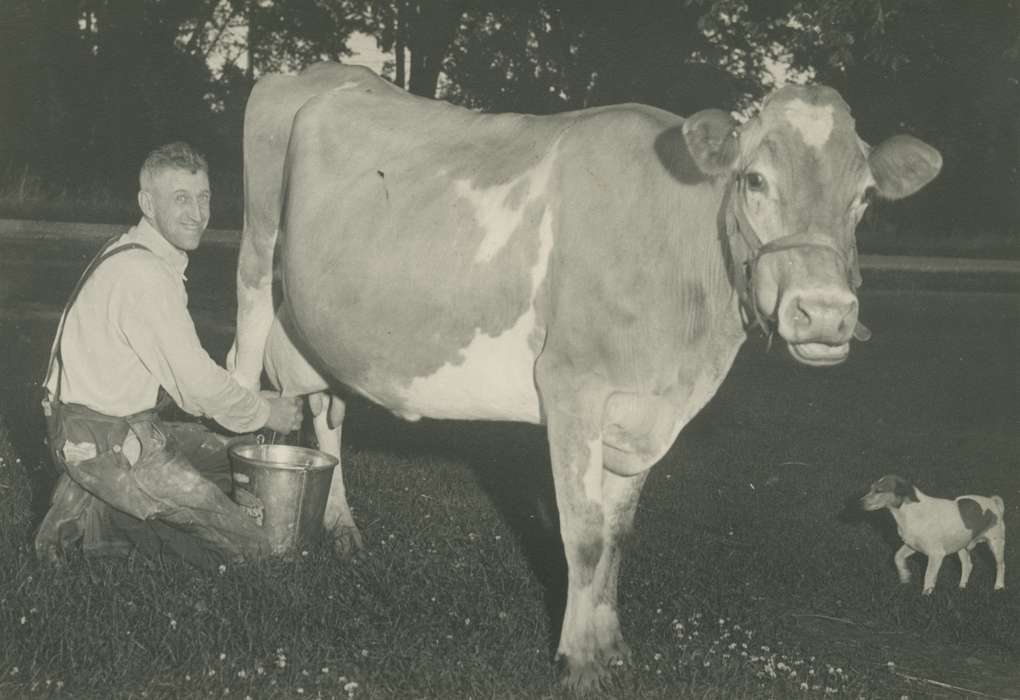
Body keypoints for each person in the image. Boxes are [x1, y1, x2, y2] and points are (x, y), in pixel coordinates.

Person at [34, 141, 303, 571]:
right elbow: (197, 386)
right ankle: (96, 522)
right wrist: (264, 412)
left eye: (204, 197)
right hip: (109, 445)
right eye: (181, 199)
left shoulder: (130, 249)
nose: (198, 213)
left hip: (116, 428)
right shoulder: (144, 275)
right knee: (255, 551)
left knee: (236, 454)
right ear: (148, 203)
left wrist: (253, 412)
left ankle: (106, 498)